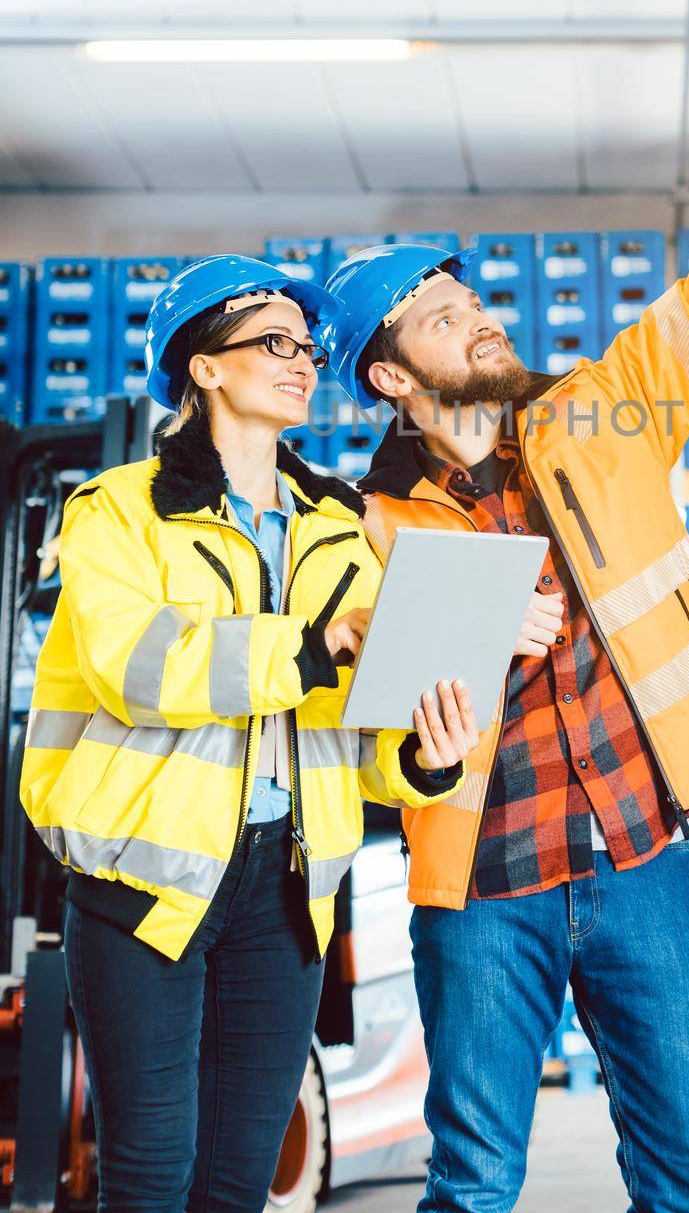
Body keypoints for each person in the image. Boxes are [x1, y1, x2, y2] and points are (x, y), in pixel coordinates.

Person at [316, 0, 689, 1213]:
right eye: (434, 316)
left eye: (469, 300)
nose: (472, 320)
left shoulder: (598, 418)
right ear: (389, 382)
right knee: (470, 1184)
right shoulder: (363, 525)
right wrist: (450, 662)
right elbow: (365, 736)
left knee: (682, 1178)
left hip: (640, 860)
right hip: (479, 893)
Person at [19, 253, 479, 1213]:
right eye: (273, 343)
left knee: (238, 1184)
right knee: (148, 1175)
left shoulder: (335, 524)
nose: (303, 361)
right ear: (204, 365)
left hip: (288, 886)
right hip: (143, 884)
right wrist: (313, 645)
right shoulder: (117, 514)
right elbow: (138, 667)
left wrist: (421, 757)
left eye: (307, 347)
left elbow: (354, 724)